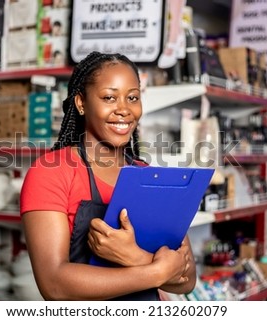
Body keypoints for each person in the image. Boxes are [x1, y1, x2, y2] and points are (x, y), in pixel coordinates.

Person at [20, 51, 196, 301]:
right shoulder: (51, 173)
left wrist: (135, 256)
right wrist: (156, 272)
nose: (124, 109)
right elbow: (54, 284)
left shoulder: (149, 176)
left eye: (132, 97)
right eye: (109, 97)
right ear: (81, 103)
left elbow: (187, 280)